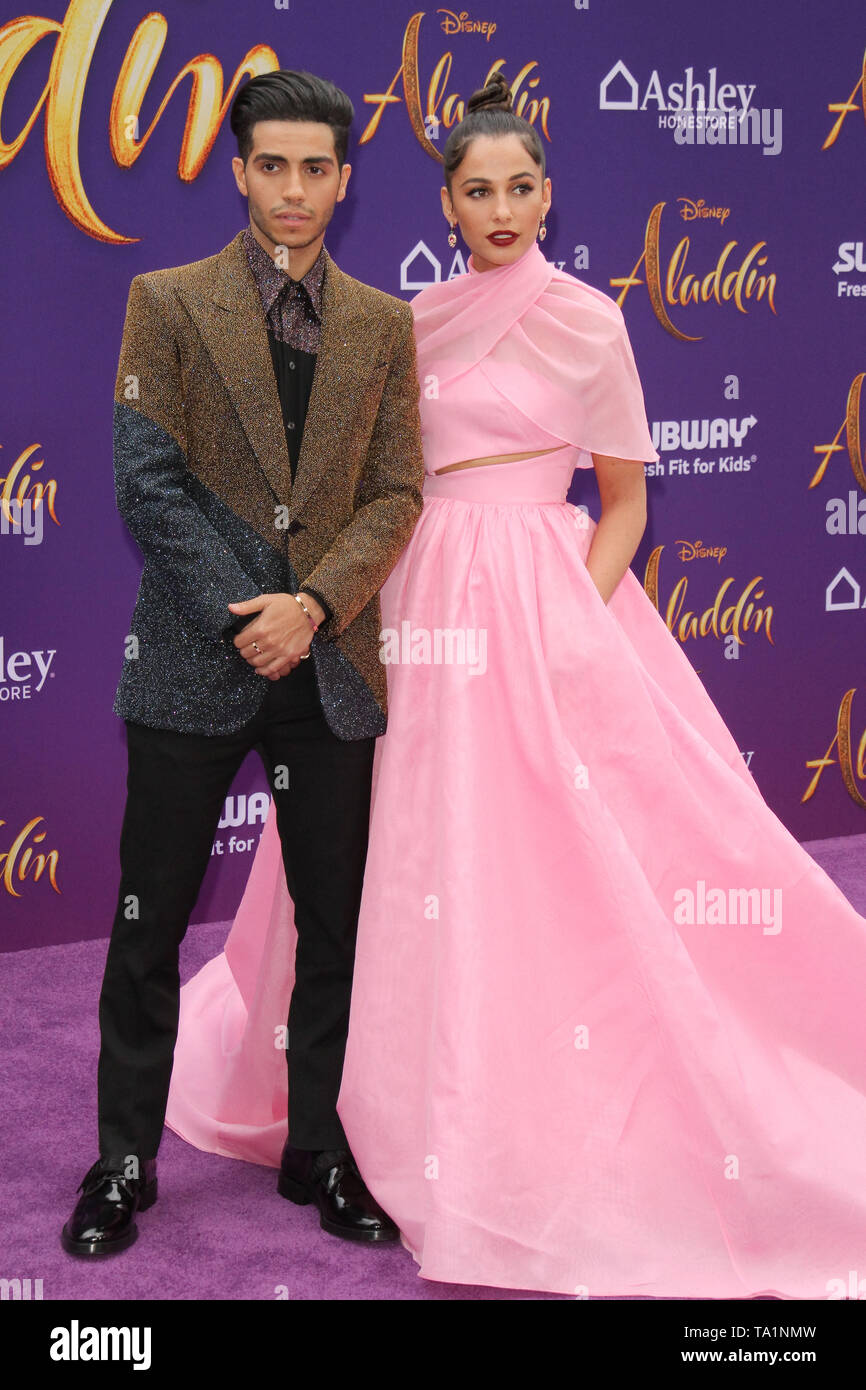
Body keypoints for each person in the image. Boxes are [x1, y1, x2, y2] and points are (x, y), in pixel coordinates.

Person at [166, 73, 866, 1297]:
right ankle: (345, 1103)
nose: (502, 209)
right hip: (413, 602)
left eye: (522, 188)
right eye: (477, 190)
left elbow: (627, 503)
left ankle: (525, 1103)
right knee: (379, 848)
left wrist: (563, 626)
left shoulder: (593, 322)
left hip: (541, 601)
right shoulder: (410, 317)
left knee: (550, 863)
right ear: (444, 200)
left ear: (548, 193)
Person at [61, 69, 425, 1257]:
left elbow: (396, 489)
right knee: (146, 918)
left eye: (314, 166)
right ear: (239, 171)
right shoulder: (164, 300)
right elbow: (145, 484)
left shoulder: (381, 322)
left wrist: (312, 605)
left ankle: (318, 1152)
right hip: (190, 662)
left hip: (328, 664)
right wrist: (247, 614)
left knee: (337, 925)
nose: (292, 188)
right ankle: (122, 1161)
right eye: (271, 164)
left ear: (343, 179)